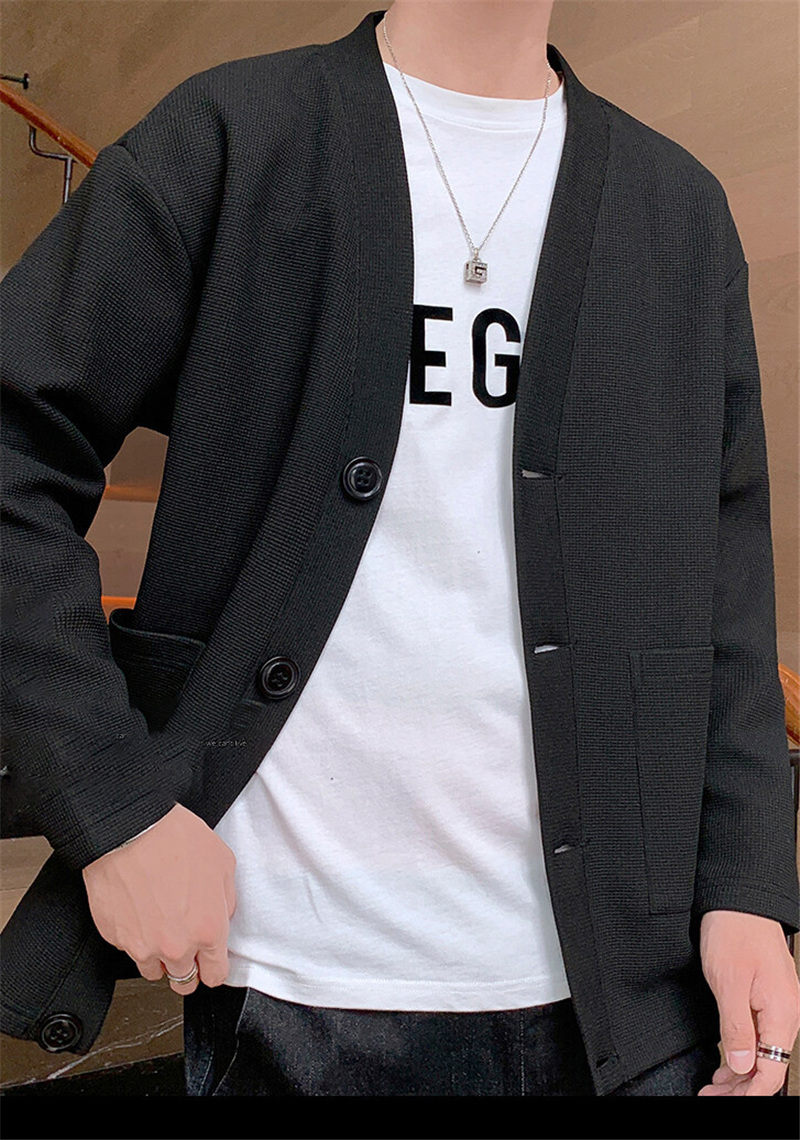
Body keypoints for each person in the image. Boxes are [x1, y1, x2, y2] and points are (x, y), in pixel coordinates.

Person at [1, 3, 798, 1098]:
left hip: (630, 995)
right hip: (295, 988)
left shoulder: (678, 211)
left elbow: (724, 582)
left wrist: (746, 880)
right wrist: (112, 802)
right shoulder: (235, 136)